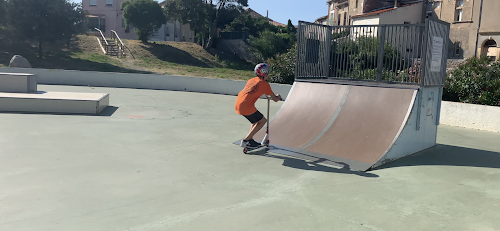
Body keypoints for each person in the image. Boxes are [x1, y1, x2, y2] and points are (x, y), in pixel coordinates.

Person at [234, 63, 281, 148]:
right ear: (265, 73)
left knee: (256, 121)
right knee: (262, 121)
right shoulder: (265, 84)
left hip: (238, 104)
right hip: (246, 106)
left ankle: (250, 140)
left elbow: (252, 91)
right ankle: (246, 140)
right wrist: (278, 96)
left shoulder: (252, 80)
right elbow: (275, 99)